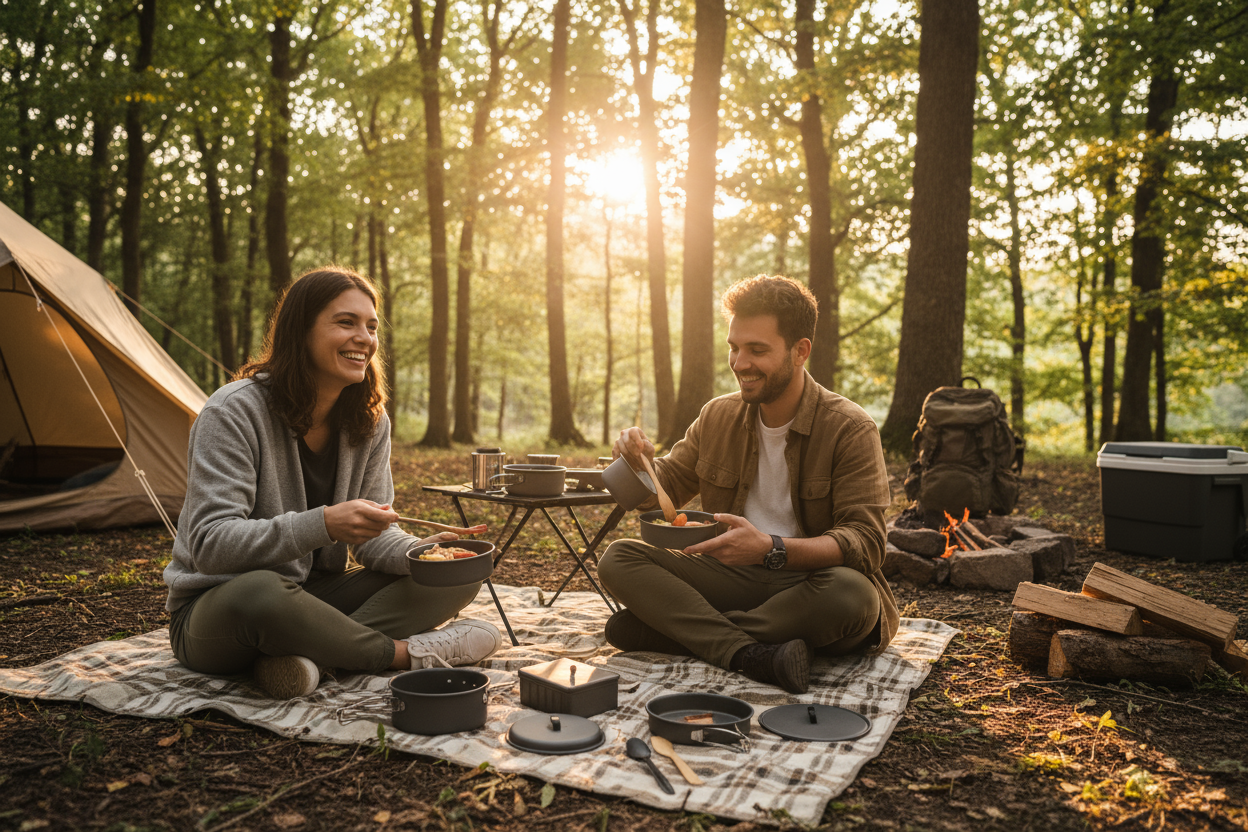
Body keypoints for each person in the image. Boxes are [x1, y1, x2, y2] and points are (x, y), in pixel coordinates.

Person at [163, 267, 502, 699]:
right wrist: (323, 524)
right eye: (346, 322)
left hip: (314, 599)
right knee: (262, 590)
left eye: (371, 327)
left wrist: (424, 554)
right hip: (221, 610)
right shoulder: (232, 413)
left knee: (453, 576)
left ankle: (307, 657)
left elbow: (372, 540)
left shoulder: (369, 421)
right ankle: (401, 654)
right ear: (300, 331)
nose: (365, 337)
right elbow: (211, 545)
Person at [598, 275, 898, 694]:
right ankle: (751, 653)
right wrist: (636, 461)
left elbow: (865, 543)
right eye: (734, 348)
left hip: (810, 583)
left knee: (853, 598)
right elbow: (661, 492)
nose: (740, 362)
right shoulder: (717, 416)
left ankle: (674, 634)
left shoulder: (849, 427)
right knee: (619, 558)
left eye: (757, 350)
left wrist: (772, 549)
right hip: (731, 576)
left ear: (800, 351)